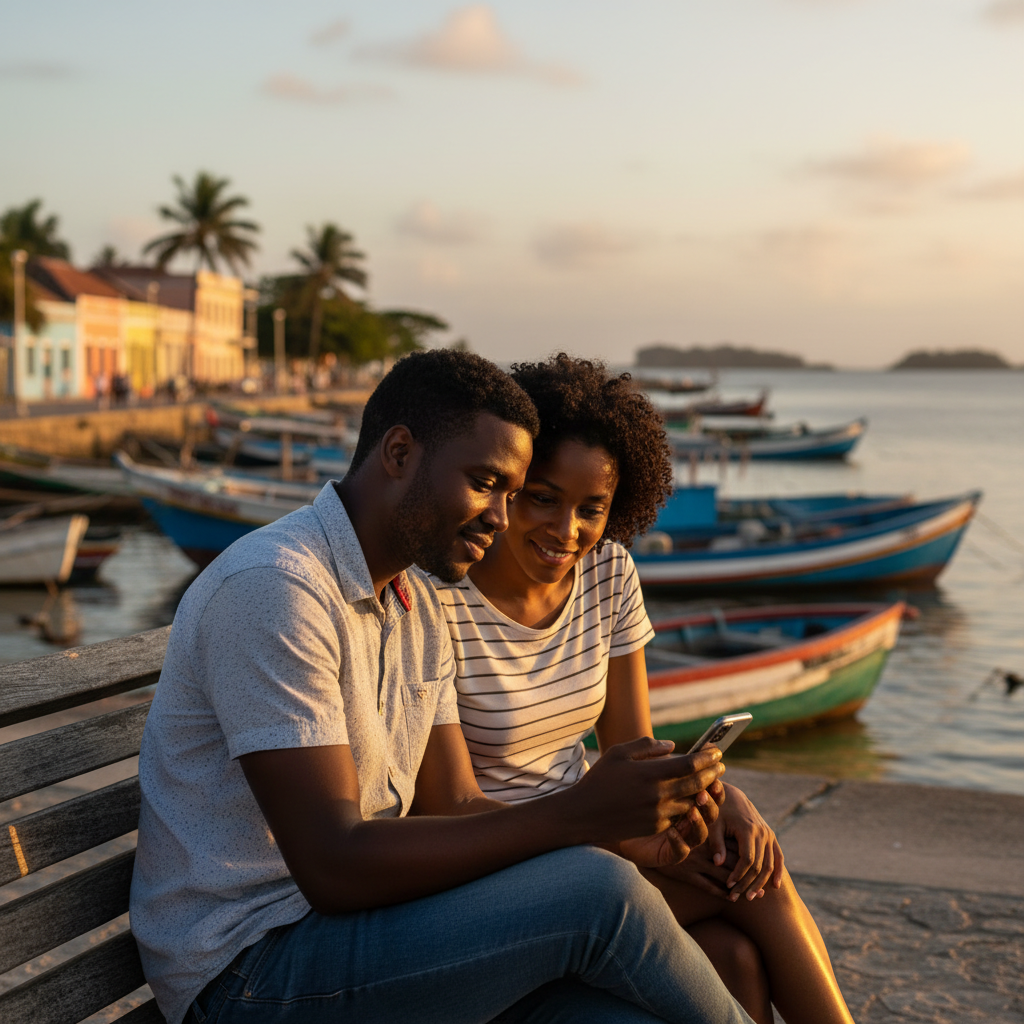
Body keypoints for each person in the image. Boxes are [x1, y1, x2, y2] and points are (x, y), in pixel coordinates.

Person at [130, 349, 755, 1024]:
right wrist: (581, 820)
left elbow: (453, 805)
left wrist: (618, 830)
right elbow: (332, 863)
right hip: (250, 971)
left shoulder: (415, 597)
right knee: (600, 891)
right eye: (484, 482)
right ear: (398, 452)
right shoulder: (278, 587)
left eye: (512, 494)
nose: (499, 516)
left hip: (374, 934)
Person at [427, 354, 856, 1024]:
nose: (566, 531)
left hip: (603, 842)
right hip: (497, 866)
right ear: (507, 485)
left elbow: (634, 751)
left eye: (591, 508)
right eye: (543, 497)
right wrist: (615, 836)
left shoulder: (608, 571)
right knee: (756, 895)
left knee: (734, 946)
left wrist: (720, 792)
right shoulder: (441, 597)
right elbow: (447, 807)